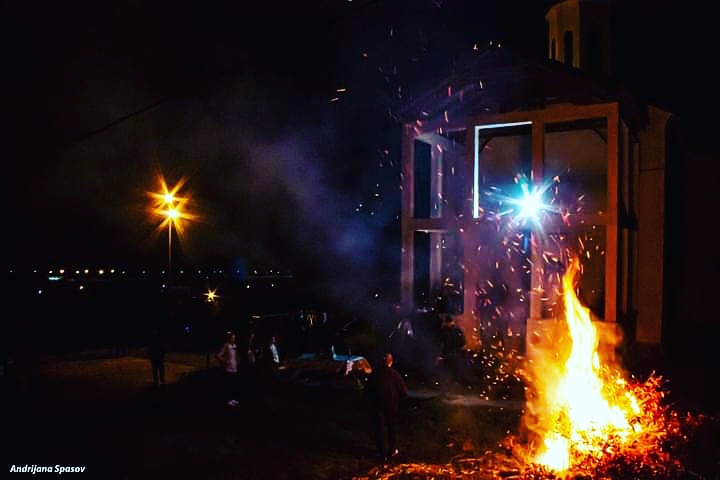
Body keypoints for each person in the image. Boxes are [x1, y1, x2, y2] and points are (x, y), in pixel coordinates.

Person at [366, 352, 409, 462]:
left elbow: (368, 389)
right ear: (391, 362)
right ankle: (391, 450)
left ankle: (381, 451)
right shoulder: (394, 374)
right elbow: (403, 391)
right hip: (392, 405)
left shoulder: (374, 374)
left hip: (378, 404)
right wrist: (402, 401)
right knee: (392, 428)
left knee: (379, 428)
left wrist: (369, 400)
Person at [217, 331, 239, 406]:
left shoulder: (235, 346)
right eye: (232, 338)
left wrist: (236, 362)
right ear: (229, 338)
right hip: (228, 369)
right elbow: (219, 355)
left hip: (234, 368)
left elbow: (235, 356)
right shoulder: (226, 345)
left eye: (234, 338)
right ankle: (228, 400)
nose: (234, 339)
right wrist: (225, 361)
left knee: (233, 385)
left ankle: (232, 399)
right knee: (228, 385)